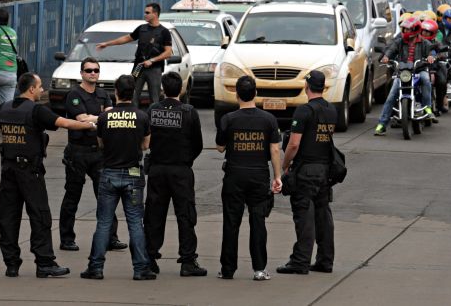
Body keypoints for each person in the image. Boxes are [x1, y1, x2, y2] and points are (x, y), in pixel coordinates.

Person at [0, 72, 96, 278]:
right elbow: (66, 123)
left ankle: (11, 264)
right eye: (40, 87)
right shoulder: (36, 110)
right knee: (40, 216)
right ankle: (45, 263)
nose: (42, 90)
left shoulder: (5, 108)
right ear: (31, 89)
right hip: (30, 172)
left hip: (8, 172)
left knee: (8, 217)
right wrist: (91, 124)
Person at [81, 75, 155, 281]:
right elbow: (146, 145)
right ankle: (140, 268)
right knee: (134, 222)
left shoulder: (105, 117)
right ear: (133, 93)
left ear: (116, 92)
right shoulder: (142, 116)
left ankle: (95, 268)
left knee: (103, 223)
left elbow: (101, 143)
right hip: (132, 173)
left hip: (109, 173)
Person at [216, 76, 282, 281]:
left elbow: (220, 148)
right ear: (255, 93)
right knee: (258, 221)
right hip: (259, 175)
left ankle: (227, 269)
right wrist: (277, 176)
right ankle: (259, 269)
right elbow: (274, 150)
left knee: (231, 222)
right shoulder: (269, 119)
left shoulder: (229, 119)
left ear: (236, 94)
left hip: (234, 175)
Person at [59, 57, 126, 253]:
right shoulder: (74, 94)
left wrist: (96, 119)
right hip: (77, 152)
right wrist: (101, 118)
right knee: (73, 196)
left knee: (106, 196)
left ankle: (111, 237)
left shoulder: (103, 94)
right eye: (89, 70)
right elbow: (81, 119)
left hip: (98, 152)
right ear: (81, 73)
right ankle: (67, 238)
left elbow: (109, 116)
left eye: (96, 70)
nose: (93, 74)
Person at [143, 72, 207, 277]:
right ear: (180, 89)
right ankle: (188, 261)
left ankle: (149, 258)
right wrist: (186, 159)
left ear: (163, 89)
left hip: (157, 169)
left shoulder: (153, 110)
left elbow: (147, 138)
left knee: (154, 214)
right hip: (180, 170)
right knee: (186, 215)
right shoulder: (188, 112)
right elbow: (198, 144)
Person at [276, 71, 337, 275]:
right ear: (324, 87)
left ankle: (300, 261)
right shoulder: (331, 110)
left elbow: (294, 144)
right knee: (323, 215)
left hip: (306, 170)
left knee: (304, 215)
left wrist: (285, 164)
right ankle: (325, 260)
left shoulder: (304, 111)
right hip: (325, 169)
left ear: (307, 86)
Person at [96, 3, 172, 106]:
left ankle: (153, 119)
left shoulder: (164, 32)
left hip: (154, 69)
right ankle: (134, 116)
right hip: (138, 67)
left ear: (155, 14)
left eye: (147, 12)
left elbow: (168, 52)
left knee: (154, 98)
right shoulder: (141, 28)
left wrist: (152, 60)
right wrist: (107, 44)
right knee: (132, 94)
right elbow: (126, 38)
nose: (145, 15)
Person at [375, 17, 436, 136]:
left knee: (426, 79)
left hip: (419, 70)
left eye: (406, 29)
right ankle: (382, 124)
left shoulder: (424, 42)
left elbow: (431, 50)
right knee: (391, 95)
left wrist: (430, 57)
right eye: (403, 29)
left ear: (415, 29)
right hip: (403, 72)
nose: (404, 31)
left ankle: (427, 108)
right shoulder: (400, 41)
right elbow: (391, 49)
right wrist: (386, 56)